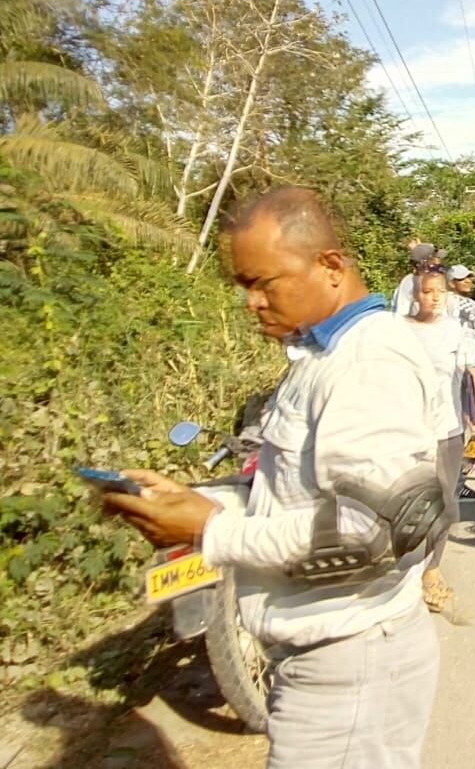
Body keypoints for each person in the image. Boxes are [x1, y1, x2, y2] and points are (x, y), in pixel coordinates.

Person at [103, 187, 441, 768]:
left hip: (349, 665)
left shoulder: (367, 364)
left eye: (263, 282)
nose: (251, 302)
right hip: (325, 657)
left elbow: (370, 536)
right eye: (242, 286)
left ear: (330, 267)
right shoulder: (322, 356)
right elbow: (298, 495)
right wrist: (193, 501)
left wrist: (211, 530)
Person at [407, 266, 475, 614]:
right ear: (416, 296)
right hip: (410, 430)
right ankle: (403, 573)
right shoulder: (400, 330)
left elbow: (470, 372)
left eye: (439, 291)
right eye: (427, 292)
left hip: (448, 428)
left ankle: (431, 571)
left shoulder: (458, 331)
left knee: (446, 502)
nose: (434, 297)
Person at [390, 240, 444, 316]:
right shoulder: (410, 282)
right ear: (423, 263)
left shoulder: (434, 280)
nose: (438, 262)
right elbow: (401, 314)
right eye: (434, 258)